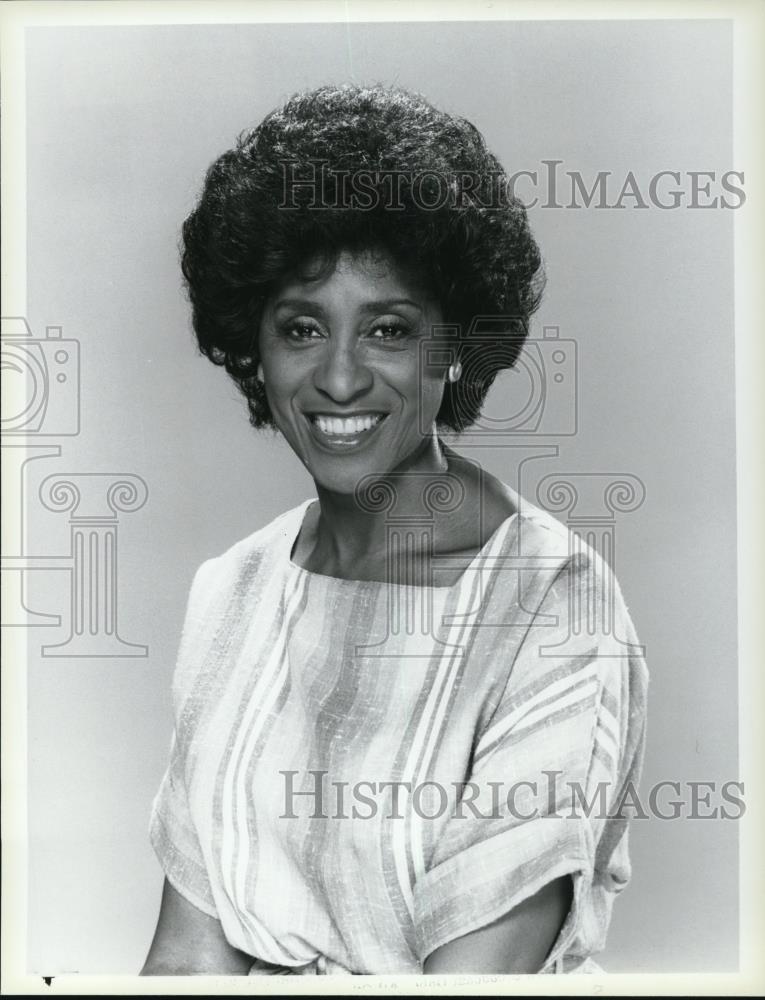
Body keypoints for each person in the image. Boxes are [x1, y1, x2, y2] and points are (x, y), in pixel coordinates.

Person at [141, 84, 648, 976]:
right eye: (301, 328)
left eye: (387, 329)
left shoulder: (549, 607)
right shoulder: (235, 589)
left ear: (452, 347)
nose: (338, 378)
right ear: (253, 350)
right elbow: (186, 964)